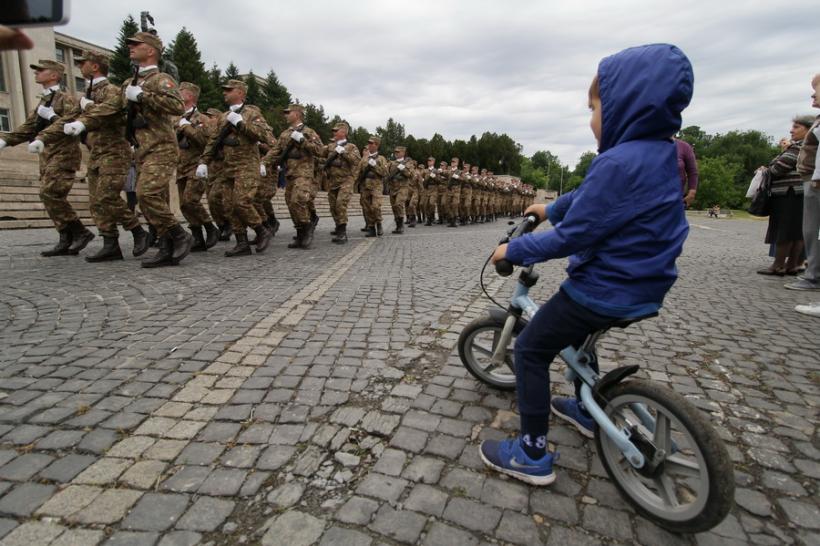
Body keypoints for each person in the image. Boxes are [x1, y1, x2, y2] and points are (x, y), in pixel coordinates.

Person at [480, 43, 693, 486]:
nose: (591, 118)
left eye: (594, 107)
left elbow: (576, 235)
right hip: (645, 284)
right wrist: (547, 208)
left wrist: (513, 251)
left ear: (624, 106)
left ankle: (531, 453)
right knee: (579, 342)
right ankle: (585, 402)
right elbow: (592, 200)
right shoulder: (659, 153)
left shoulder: (616, 160)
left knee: (532, 350)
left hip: (605, 287)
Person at [0, 59, 95, 256]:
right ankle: (65, 236)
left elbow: (72, 125)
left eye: (41, 70)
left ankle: (80, 231)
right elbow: (28, 128)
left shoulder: (66, 99)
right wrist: (6, 140)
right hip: (47, 156)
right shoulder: (43, 102)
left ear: (54, 75)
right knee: (51, 196)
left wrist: (52, 116)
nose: (36, 73)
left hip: (64, 154)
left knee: (49, 193)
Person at [122, 32, 191, 268]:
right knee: (152, 198)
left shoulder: (161, 79)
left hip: (161, 147)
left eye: (136, 44)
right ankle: (165, 245)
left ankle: (179, 234)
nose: (130, 47)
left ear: (151, 50)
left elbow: (177, 105)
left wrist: (143, 95)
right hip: (141, 149)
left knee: (146, 193)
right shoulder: (128, 82)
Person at [198, 80, 273, 257]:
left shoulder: (252, 114)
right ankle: (242, 242)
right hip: (227, 167)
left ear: (240, 93)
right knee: (228, 205)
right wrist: (203, 161)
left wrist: (241, 123)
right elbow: (213, 141)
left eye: (229, 90)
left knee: (241, 202)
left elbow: (264, 135)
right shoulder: (223, 117)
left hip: (247, 166)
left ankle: (262, 230)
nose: (225, 93)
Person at [756, 116, 813, 276]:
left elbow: (776, 169)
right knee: (797, 232)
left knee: (785, 231)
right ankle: (792, 265)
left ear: (808, 129)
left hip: (789, 193)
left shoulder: (798, 148)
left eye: (796, 127)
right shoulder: (807, 147)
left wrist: (767, 168)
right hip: (800, 193)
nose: (791, 130)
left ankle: (778, 265)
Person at [264, 104, 323, 249]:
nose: (285, 115)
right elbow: (276, 150)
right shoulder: (285, 134)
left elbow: (320, 150)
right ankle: (300, 233)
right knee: (290, 203)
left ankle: (307, 227)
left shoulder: (309, 132)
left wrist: (303, 140)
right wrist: (264, 162)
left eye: (288, 112)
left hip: (304, 173)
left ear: (297, 114)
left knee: (298, 200)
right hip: (289, 173)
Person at [176, 82, 219, 252]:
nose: (178, 94)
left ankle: (210, 227)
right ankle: (197, 237)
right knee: (183, 205)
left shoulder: (202, 119)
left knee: (190, 200)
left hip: (197, 165)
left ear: (191, 96)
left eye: (181, 91)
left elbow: (204, 141)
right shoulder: (176, 117)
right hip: (181, 166)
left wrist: (185, 127)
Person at [790, 74, 820, 292]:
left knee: (813, 230)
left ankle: (814, 276)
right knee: (811, 230)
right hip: (812, 180)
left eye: (815, 91)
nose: (812, 97)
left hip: (816, 181)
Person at [321, 122, 361, 243]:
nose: (333, 132)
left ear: (343, 132)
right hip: (332, 182)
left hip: (346, 180)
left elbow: (355, 160)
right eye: (333, 131)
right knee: (333, 207)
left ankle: (342, 233)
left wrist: (343, 152)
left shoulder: (351, 147)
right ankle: (338, 227)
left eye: (336, 130)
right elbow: (319, 153)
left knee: (340, 204)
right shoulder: (330, 146)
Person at [357, 135, 389, 237]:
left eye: (371, 143)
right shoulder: (364, 159)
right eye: (369, 143)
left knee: (375, 207)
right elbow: (358, 172)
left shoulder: (381, 159)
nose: (369, 145)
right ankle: (371, 228)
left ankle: (379, 223)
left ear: (377, 145)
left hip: (376, 186)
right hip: (365, 187)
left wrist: (375, 165)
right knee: (367, 208)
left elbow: (385, 173)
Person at [387, 146, 412, 234]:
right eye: (395, 152)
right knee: (394, 207)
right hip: (393, 188)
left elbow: (410, 175)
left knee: (398, 204)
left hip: (403, 187)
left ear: (403, 153)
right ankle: (398, 226)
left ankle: (401, 225)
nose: (396, 153)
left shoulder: (408, 163)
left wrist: (403, 169)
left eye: (398, 152)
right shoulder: (391, 163)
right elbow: (387, 174)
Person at [675, 137, 698, 207]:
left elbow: (692, 172)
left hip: (676, 199)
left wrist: (692, 192)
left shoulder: (684, 146)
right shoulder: (646, 145)